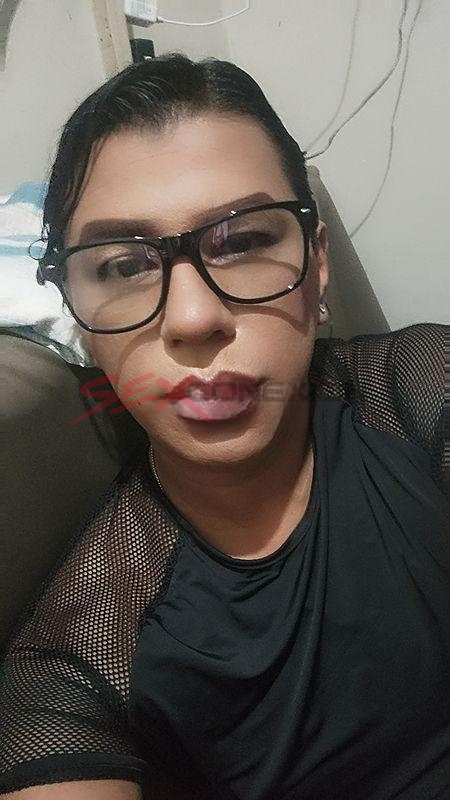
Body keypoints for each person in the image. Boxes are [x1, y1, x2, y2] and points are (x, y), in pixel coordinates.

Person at [0, 52, 449, 800]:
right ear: (78, 314)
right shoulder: (77, 656)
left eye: (242, 242)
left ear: (317, 263)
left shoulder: (418, 390)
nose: (193, 317)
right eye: (123, 266)